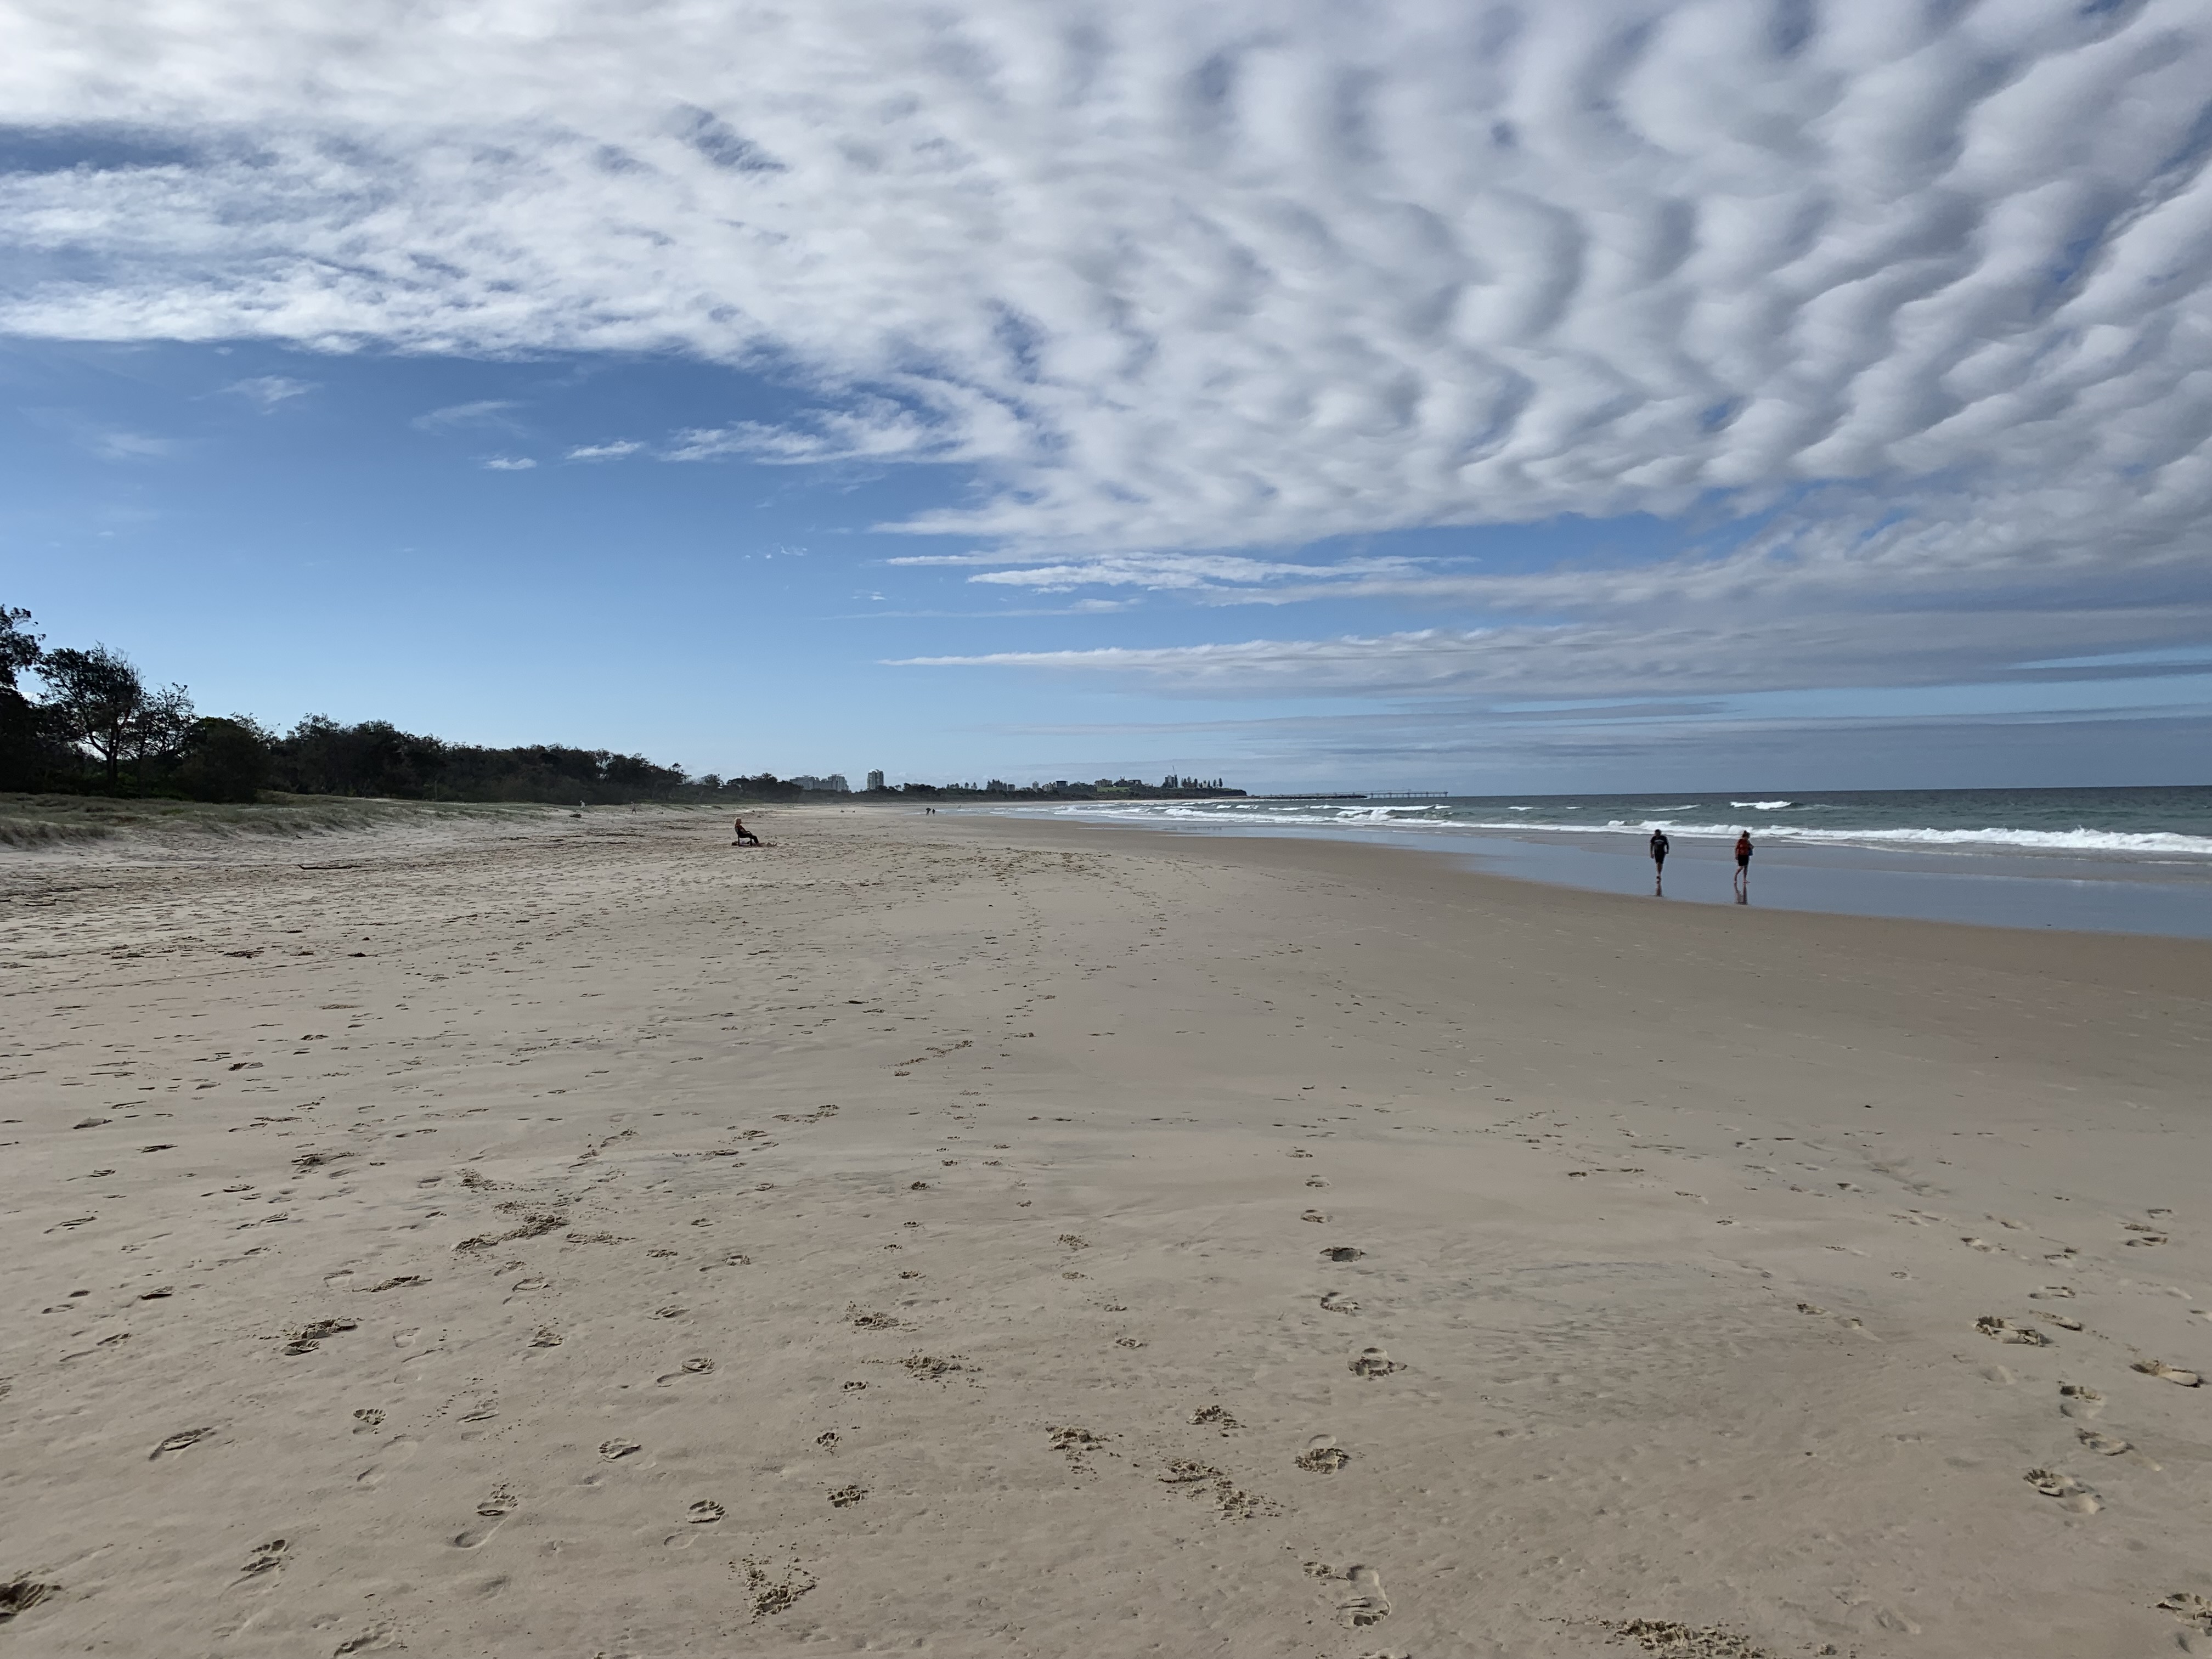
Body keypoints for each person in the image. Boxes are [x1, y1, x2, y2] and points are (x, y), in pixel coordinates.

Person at [1648, 828, 1671, 896]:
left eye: (1658, 833)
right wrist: (1651, 853)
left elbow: (1667, 844)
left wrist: (1668, 850)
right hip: (1656, 852)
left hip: (1662, 852)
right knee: (1658, 863)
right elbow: (1651, 846)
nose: (1657, 834)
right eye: (1656, 833)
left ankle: (1659, 873)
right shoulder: (1654, 838)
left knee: (1661, 863)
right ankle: (1658, 874)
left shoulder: (1663, 838)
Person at [1733, 830, 1753, 902]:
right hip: (1741, 855)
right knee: (1741, 867)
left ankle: (1745, 879)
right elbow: (1736, 848)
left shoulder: (1747, 842)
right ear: (1745, 836)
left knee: (1746, 868)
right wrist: (1736, 855)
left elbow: (1752, 847)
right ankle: (1735, 877)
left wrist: (1750, 846)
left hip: (1746, 855)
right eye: (1747, 837)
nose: (1748, 839)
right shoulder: (1740, 841)